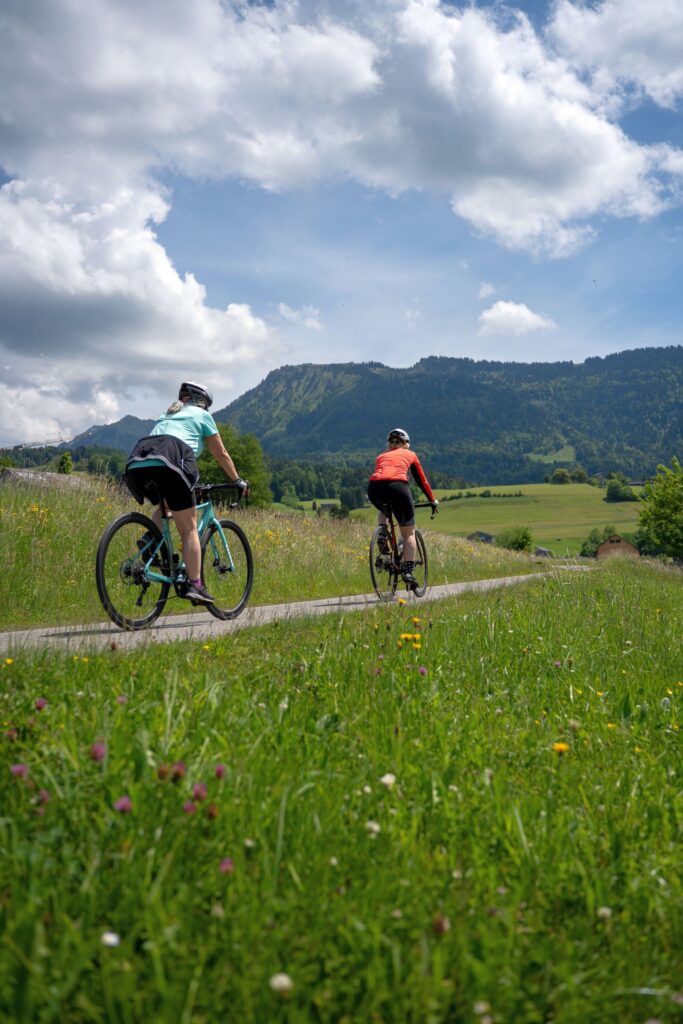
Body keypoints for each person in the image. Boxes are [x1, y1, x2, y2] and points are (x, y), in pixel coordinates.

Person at [123, 381, 248, 604]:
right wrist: (237, 480)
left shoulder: (168, 414)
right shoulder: (201, 415)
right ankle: (195, 584)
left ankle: (150, 537)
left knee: (166, 507)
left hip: (141, 459)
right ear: (202, 402)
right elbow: (222, 454)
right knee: (189, 529)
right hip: (172, 458)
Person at [367, 427, 438, 591]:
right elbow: (422, 481)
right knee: (408, 534)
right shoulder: (410, 454)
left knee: (385, 508)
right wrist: (432, 501)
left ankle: (382, 533)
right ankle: (407, 572)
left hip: (374, 488)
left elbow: (383, 476)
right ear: (406, 444)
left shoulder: (381, 456)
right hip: (398, 487)